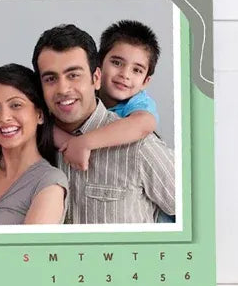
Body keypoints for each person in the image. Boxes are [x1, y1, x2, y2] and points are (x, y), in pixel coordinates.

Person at [32, 24, 175, 224]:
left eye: (74, 75)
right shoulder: (31, 143)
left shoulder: (140, 145)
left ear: (95, 77)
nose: (63, 89)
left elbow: (198, 211)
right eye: (50, 78)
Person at [54, 19, 161, 172]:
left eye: (136, 70)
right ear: (98, 63)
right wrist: (69, 142)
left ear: (145, 81)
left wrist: (84, 142)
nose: (125, 75)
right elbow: (45, 124)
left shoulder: (138, 101)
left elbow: (143, 124)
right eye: (117, 63)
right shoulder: (85, 92)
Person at [0, 64, 68, 225]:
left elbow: (31, 250)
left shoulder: (48, 182)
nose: (4, 117)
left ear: (39, 114)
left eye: (16, 105)